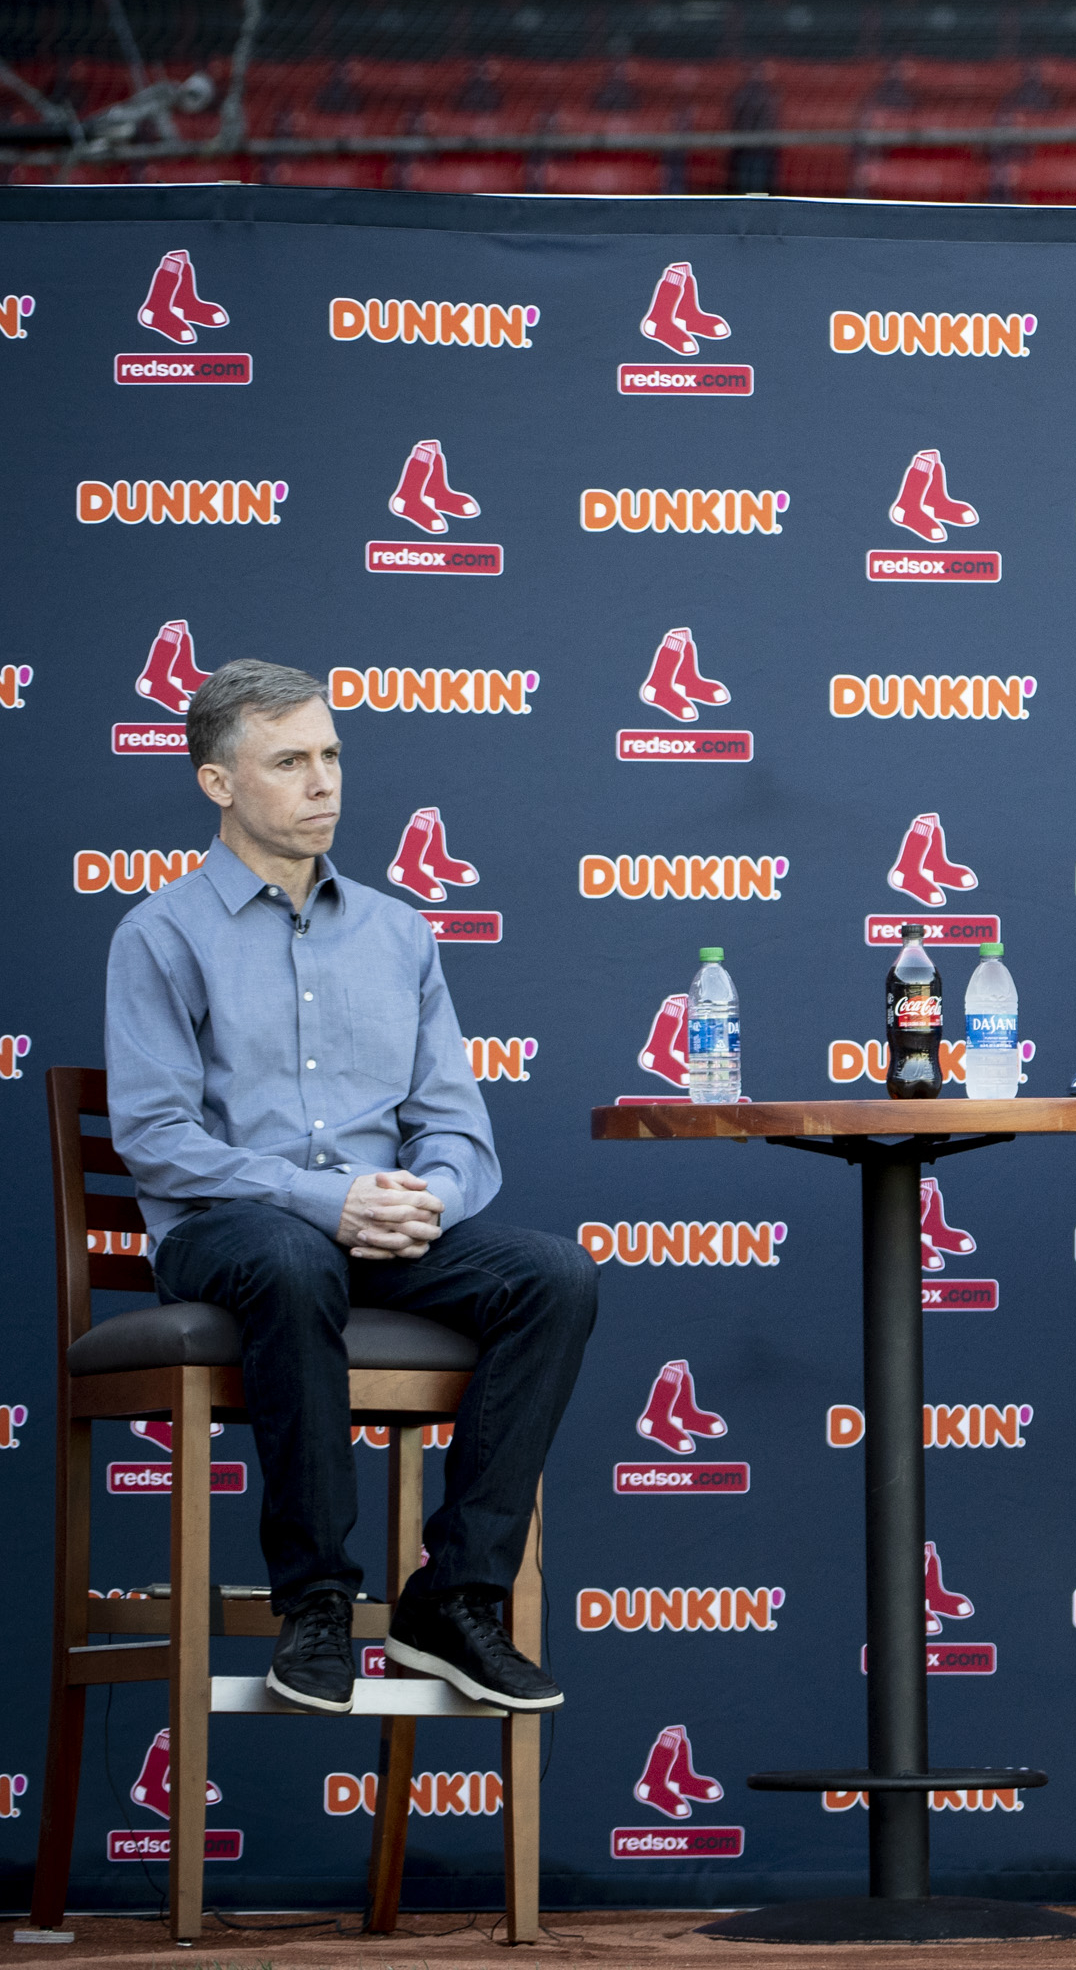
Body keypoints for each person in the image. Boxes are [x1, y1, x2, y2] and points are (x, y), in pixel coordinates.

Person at [105, 660, 596, 1714]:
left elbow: (456, 1123)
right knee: (289, 1255)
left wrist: (430, 1199)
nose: (323, 780)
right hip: (230, 1238)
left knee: (552, 1274)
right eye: (289, 760)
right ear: (218, 783)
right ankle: (316, 1602)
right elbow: (156, 1138)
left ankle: (454, 1599)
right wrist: (321, 1200)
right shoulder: (160, 932)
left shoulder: (399, 931)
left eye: (331, 754)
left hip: (380, 1236)